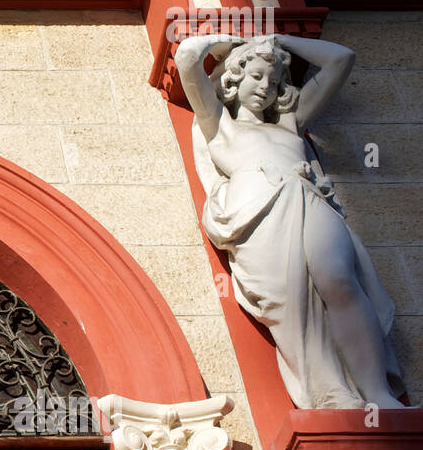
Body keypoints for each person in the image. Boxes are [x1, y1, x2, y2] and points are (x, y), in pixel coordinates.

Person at [174, 31, 405, 410]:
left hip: (307, 197)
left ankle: (376, 393)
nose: (266, 87)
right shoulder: (219, 124)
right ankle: (332, 395)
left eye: (274, 80)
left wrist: (279, 39)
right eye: (256, 76)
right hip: (258, 211)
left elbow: (341, 58)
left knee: (341, 281)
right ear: (234, 77)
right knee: (290, 303)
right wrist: (228, 41)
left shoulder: (289, 123)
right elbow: (187, 57)